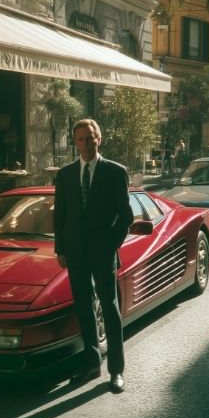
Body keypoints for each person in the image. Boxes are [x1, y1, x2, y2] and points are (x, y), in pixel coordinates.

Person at [53, 118, 132, 393]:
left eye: (90, 138)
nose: (86, 144)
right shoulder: (65, 174)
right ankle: (91, 364)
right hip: (75, 252)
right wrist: (60, 249)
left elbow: (126, 216)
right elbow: (60, 215)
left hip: (103, 251)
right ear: (75, 143)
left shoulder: (115, 172)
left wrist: (111, 245)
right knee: (84, 307)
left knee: (109, 308)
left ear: (99, 138)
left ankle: (117, 371)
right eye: (81, 139)